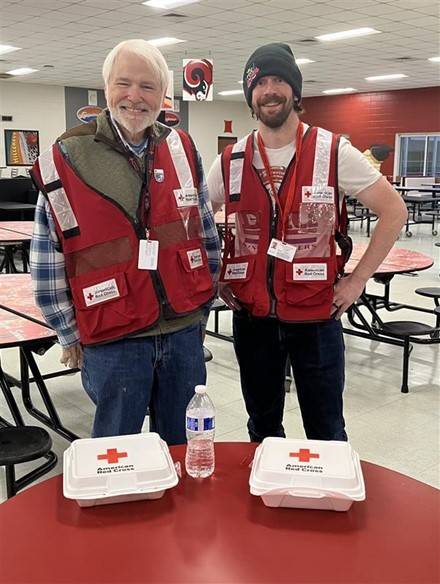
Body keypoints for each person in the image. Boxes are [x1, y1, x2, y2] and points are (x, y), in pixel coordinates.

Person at [207, 43, 407, 442]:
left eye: (279, 79)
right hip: (253, 318)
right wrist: (215, 276)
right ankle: (267, 497)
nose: (270, 90)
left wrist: (357, 280)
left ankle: (329, 500)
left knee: (327, 429)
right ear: (250, 96)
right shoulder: (231, 159)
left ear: (295, 92)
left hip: (316, 316)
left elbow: (395, 211)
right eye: (260, 82)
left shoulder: (334, 151)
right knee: (262, 428)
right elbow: (192, 222)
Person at [30, 39, 220, 445]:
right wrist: (68, 334)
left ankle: (181, 511)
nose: (135, 97)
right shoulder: (65, 158)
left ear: (163, 95)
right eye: (124, 84)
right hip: (114, 340)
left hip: (182, 332)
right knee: (117, 453)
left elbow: (205, 235)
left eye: (148, 86)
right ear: (106, 89)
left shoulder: (182, 149)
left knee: (183, 451)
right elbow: (47, 260)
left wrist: (202, 308)